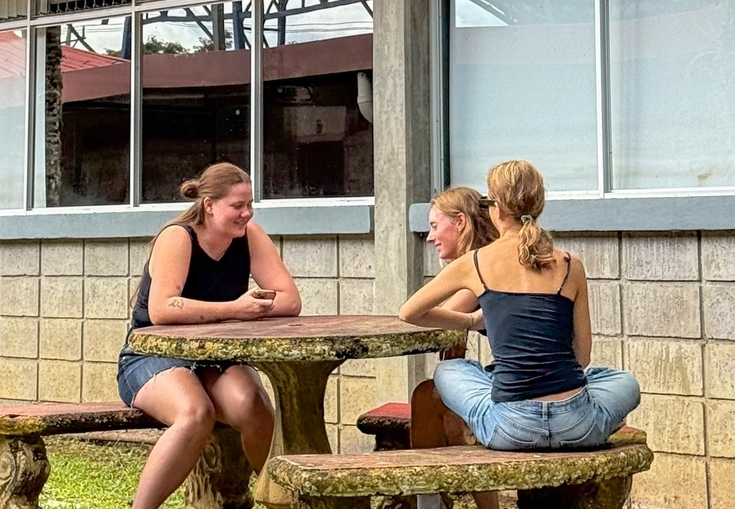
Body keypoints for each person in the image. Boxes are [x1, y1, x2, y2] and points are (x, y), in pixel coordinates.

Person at [400, 160, 640, 509]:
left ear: (496, 209)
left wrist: (470, 322)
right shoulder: (571, 265)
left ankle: (474, 435)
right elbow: (582, 357)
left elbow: (410, 312)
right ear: (537, 207)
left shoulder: (477, 262)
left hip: (509, 429)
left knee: (448, 372)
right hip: (576, 424)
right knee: (622, 381)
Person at [117, 162, 301, 509]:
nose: (246, 213)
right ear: (209, 205)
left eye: (250, 205)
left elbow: (290, 300)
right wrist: (236, 308)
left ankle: (281, 502)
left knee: (254, 405)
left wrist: (251, 307)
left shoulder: (250, 235)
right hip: (152, 354)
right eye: (237, 206)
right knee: (195, 412)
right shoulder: (179, 236)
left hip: (216, 356)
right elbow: (162, 310)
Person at [414, 186, 498, 509]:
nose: (430, 237)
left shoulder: (480, 265)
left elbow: (443, 318)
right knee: (430, 397)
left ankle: (430, 504)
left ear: (461, 223)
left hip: (519, 393)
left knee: (433, 400)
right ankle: (431, 502)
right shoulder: (488, 257)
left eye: (435, 226)